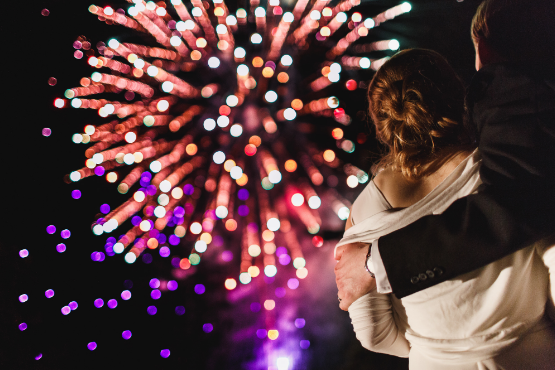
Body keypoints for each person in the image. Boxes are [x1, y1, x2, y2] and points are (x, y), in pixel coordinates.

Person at [335, 48, 555, 369]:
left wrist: (435, 354)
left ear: (382, 124)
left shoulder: (364, 211)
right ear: (455, 96)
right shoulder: (500, 169)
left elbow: (373, 334)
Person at [335, 0, 555, 305]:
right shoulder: (484, 157)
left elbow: (510, 207)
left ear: (486, 49)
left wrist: (375, 264)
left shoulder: (516, 96)